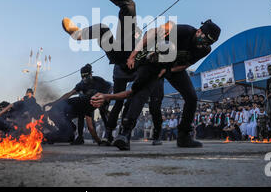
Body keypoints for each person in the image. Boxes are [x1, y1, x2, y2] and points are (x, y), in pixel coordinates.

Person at [62, 0, 167, 146]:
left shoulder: (152, 49)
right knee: (123, 11)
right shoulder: (135, 37)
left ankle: (155, 133)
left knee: (154, 101)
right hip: (122, 60)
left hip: (141, 68)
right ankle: (78, 32)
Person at [90, 18, 221, 150]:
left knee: (191, 97)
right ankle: (125, 134)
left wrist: (168, 70)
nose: (204, 44)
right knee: (140, 93)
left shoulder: (205, 50)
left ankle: (184, 136)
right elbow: (151, 35)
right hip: (156, 62)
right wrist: (134, 55)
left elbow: (186, 64)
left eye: (209, 43)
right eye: (205, 40)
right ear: (199, 31)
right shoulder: (184, 31)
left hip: (173, 69)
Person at [53, 64, 112, 145]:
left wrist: (105, 101)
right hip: (88, 102)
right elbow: (70, 94)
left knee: (103, 112)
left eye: (86, 76)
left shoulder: (99, 81)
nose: (84, 79)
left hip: (104, 95)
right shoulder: (81, 84)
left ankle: (109, 135)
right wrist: (55, 102)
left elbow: (109, 88)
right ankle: (80, 137)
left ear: (91, 74)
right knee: (82, 112)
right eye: (82, 77)